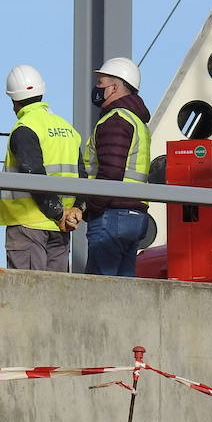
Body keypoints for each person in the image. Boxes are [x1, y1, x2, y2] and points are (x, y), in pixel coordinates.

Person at [0, 65, 84, 272]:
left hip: (28, 225)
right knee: (56, 296)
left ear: (13, 101)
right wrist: (76, 209)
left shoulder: (25, 128)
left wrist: (58, 213)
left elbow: (33, 175)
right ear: (41, 93)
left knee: (27, 296)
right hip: (61, 228)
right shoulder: (67, 129)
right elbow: (82, 175)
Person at [81, 56, 152, 277]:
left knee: (99, 292)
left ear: (114, 87)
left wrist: (90, 207)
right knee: (121, 291)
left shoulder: (116, 120)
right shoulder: (136, 121)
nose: (97, 88)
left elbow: (110, 172)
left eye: (101, 84)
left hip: (112, 215)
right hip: (133, 215)